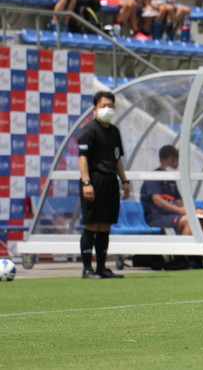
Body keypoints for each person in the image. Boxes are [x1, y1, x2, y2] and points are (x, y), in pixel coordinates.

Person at [78, 91, 131, 279]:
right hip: (94, 179)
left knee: (105, 225)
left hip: (110, 181)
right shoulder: (89, 131)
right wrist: (86, 182)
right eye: (103, 106)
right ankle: (87, 269)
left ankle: (101, 268)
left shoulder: (114, 132)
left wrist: (124, 181)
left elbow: (117, 159)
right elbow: (82, 159)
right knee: (92, 224)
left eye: (110, 106)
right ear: (95, 109)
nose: (107, 109)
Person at [140, 145, 203, 237]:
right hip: (157, 218)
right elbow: (158, 201)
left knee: (202, 218)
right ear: (163, 161)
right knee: (189, 221)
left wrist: (195, 210)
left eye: (177, 161)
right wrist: (179, 210)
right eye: (173, 160)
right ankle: (186, 251)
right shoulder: (154, 177)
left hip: (171, 216)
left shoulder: (171, 180)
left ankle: (202, 250)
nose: (176, 164)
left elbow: (179, 201)